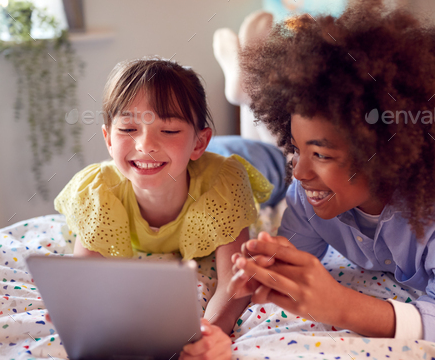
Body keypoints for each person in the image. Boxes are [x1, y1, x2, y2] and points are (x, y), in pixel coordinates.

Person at [226, 0, 435, 352]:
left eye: (321, 155)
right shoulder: (307, 193)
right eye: (297, 149)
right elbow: (286, 263)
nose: (298, 173)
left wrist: (343, 305)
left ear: (384, 152)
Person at [54, 56, 273, 359]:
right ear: (107, 138)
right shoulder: (98, 192)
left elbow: (235, 283)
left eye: (168, 131)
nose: (145, 145)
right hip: (178, 163)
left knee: (274, 164)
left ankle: (240, 84)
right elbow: (87, 286)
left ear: (199, 142)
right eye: (128, 129)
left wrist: (206, 334)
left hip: (216, 164)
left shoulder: (222, 185)